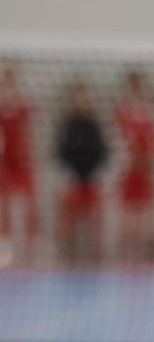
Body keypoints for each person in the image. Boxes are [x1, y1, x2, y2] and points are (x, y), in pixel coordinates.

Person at [55, 79, 109, 264]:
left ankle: (93, 254)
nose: (81, 101)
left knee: (94, 218)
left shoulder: (94, 124)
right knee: (69, 218)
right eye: (78, 98)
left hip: (91, 179)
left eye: (84, 97)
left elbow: (102, 151)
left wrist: (98, 173)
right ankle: (68, 253)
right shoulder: (67, 125)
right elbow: (60, 151)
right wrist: (66, 173)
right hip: (72, 179)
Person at [114, 68, 154, 262]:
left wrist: (147, 160)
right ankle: (127, 256)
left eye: (140, 87)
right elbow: (118, 142)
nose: (137, 91)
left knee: (146, 212)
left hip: (146, 170)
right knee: (128, 213)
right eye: (133, 87)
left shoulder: (151, 113)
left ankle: (145, 256)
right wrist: (129, 159)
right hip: (128, 171)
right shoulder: (122, 113)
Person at [0, 63, 42, 262]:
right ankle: (5, 243)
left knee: (30, 201)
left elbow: (33, 129)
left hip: (22, 161)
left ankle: (32, 242)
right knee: (4, 203)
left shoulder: (24, 107)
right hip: (4, 162)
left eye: (12, 81)